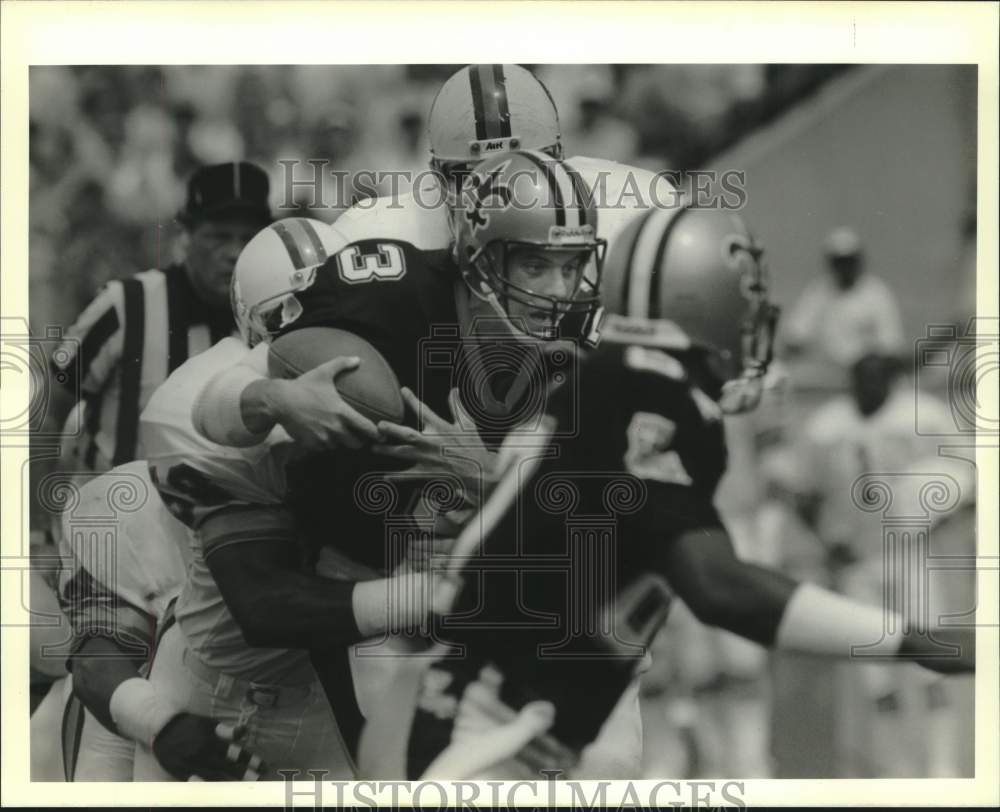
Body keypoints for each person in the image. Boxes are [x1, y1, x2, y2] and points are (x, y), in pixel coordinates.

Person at [354, 205, 974, 780]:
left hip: (499, 723)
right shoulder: (650, 391)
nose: (750, 319)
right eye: (742, 300)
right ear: (700, 299)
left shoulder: (618, 380)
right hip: (482, 732)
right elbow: (720, 588)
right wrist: (923, 641)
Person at [139, 150, 611, 779]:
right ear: (479, 255)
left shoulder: (588, 351)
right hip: (367, 598)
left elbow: (608, 532)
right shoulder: (386, 292)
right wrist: (275, 397)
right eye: (534, 263)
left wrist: (492, 481)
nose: (558, 290)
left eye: (571, 264)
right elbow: (206, 415)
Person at [53, 220, 334, 782]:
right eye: (300, 326)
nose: (328, 347)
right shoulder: (130, 500)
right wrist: (163, 724)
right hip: (162, 715)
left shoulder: (380, 458)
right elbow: (96, 662)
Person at [788, 352, 969, 776]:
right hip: (858, 559)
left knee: (931, 664)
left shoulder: (923, 416)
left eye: (877, 380)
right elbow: (803, 495)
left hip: (910, 553)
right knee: (877, 676)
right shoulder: (826, 427)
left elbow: (967, 476)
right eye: (861, 380)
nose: (870, 389)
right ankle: (896, 771)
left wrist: (940, 514)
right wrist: (827, 542)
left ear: (893, 381)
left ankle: (941, 768)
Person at [50, 161, 272, 475]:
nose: (235, 252)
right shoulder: (125, 304)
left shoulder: (271, 318)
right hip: (114, 507)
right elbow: (52, 403)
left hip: (224, 516)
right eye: (219, 236)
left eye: (248, 237)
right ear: (185, 235)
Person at [781, 226, 905, 372]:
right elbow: (796, 336)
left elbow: (890, 345)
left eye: (849, 261)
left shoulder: (876, 293)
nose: (845, 267)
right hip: (827, 373)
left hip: (866, 375)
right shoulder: (818, 292)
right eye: (839, 262)